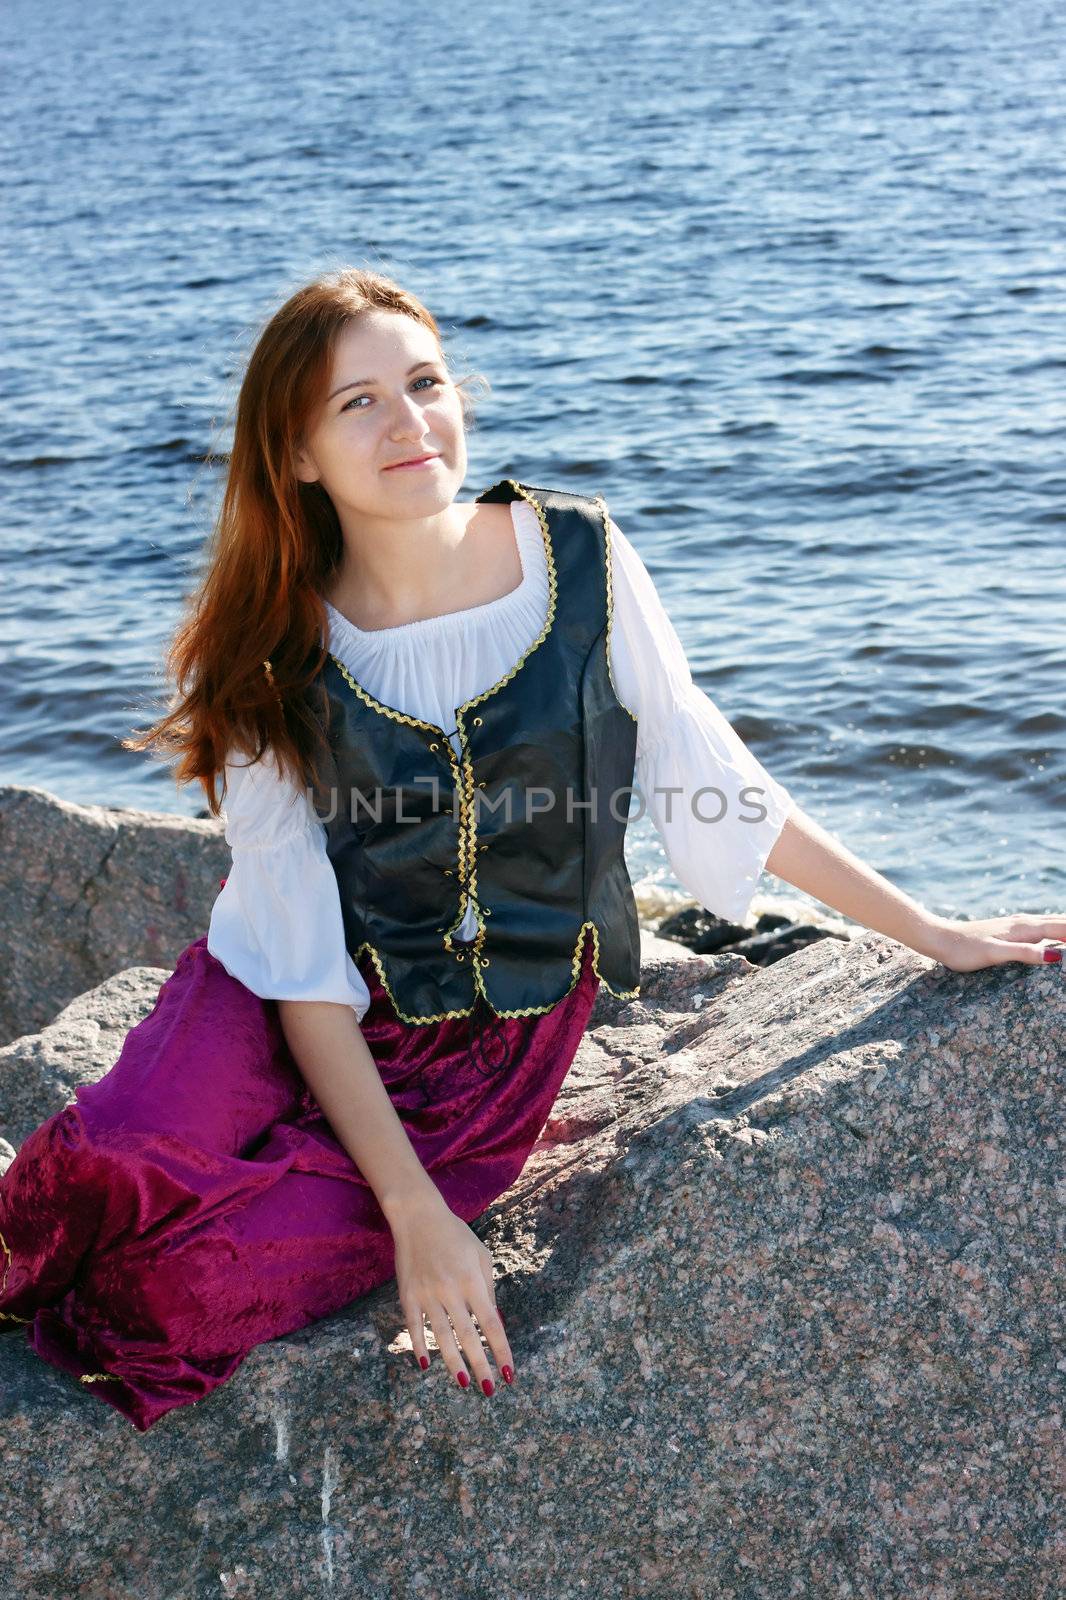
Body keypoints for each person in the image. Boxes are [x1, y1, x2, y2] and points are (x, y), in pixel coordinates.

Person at [1, 269, 1062, 1434]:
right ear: (296, 453)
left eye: (423, 382)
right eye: (356, 403)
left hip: (479, 1061)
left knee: (177, 1292)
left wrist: (929, 931)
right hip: (279, 1000)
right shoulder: (273, 652)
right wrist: (411, 1211)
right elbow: (302, 971)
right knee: (112, 1156)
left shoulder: (578, 557)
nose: (408, 422)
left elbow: (711, 783)